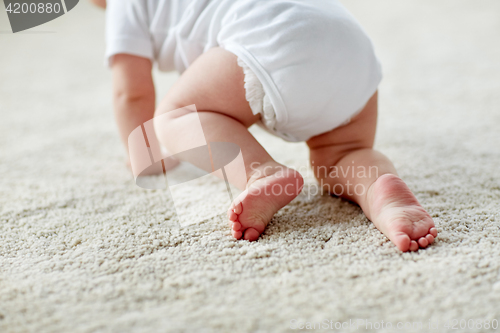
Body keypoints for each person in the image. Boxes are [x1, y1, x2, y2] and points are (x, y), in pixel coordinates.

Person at [95, 0, 438, 251]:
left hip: (270, 43)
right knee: (345, 153)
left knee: (174, 116)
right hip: (351, 48)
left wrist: (140, 154)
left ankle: (261, 173)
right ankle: (379, 189)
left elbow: (131, 92)